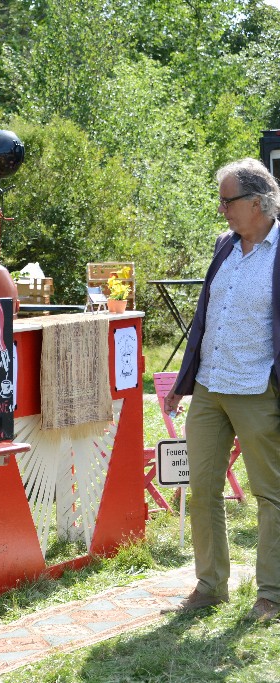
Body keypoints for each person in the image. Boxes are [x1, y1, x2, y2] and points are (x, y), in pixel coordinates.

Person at [163, 158, 280, 623]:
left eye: (228, 200)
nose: (222, 209)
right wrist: (182, 381)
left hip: (258, 389)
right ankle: (211, 585)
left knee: (269, 495)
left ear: (257, 202)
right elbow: (204, 319)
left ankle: (271, 593)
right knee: (202, 489)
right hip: (210, 388)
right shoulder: (225, 246)